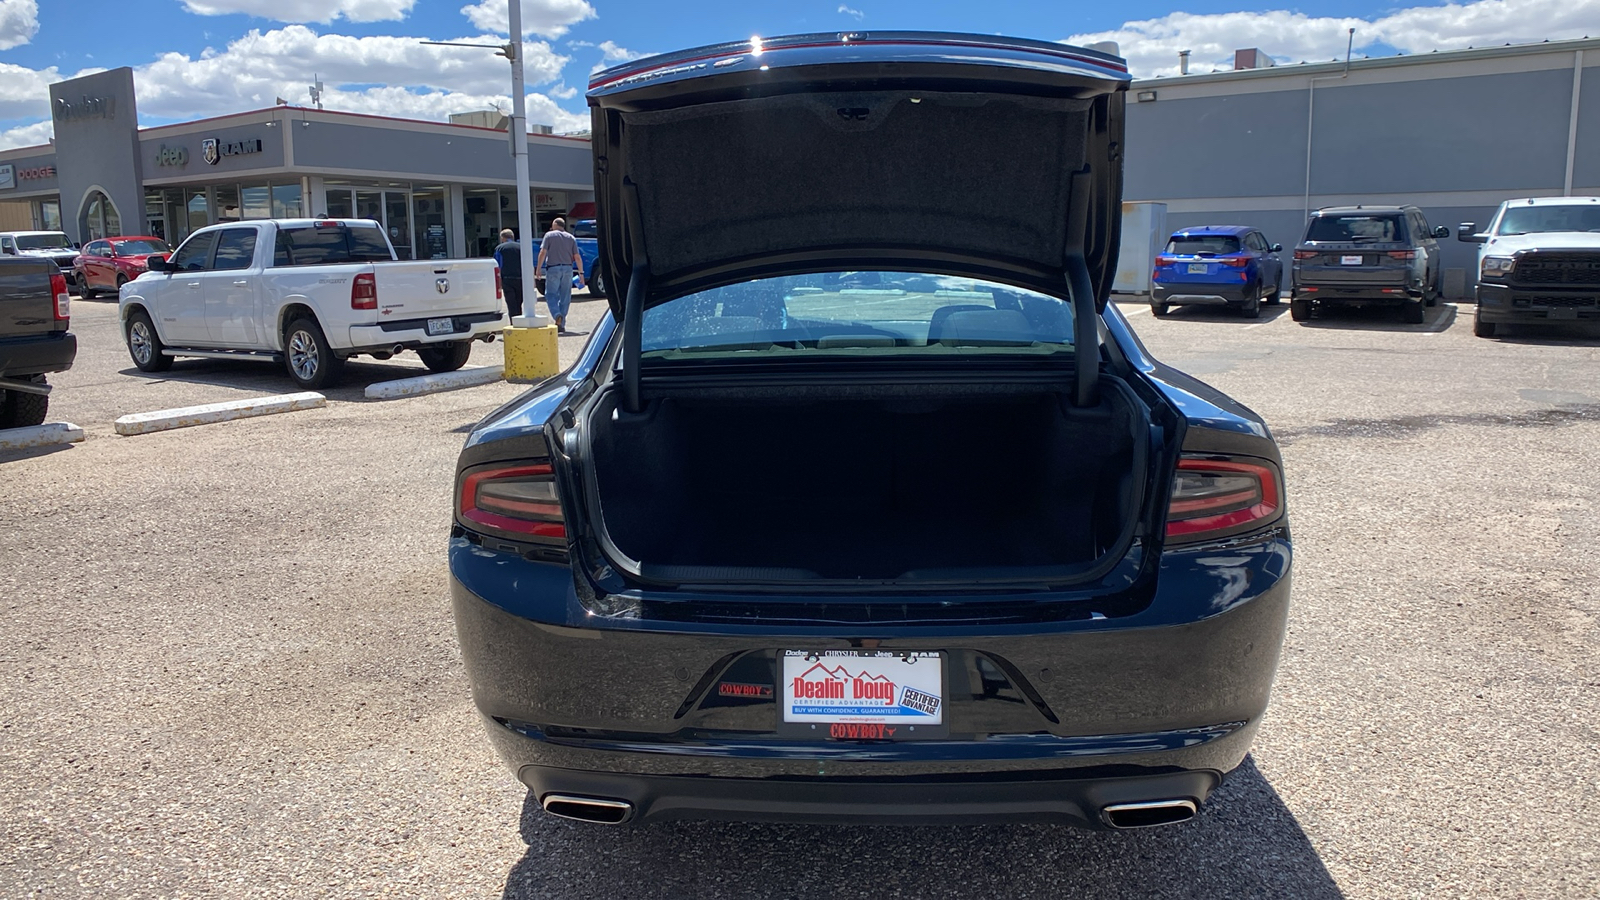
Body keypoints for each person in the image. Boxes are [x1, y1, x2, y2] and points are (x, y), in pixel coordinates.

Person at [537, 218, 585, 333]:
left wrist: (538, 268)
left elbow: (543, 252)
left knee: (550, 294)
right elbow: (577, 257)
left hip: (553, 268)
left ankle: (557, 314)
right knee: (565, 296)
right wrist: (581, 273)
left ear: (555, 225)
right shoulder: (571, 238)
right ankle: (561, 323)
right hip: (568, 269)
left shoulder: (549, 235)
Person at [492, 229, 524, 318]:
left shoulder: (500, 248)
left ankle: (513, 322)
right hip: (520, 278)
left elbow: (498, 265)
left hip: (507, 279)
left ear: (503, 238)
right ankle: (519, 319)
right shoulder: (521, 247)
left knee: (511, 304)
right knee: (519, 303)